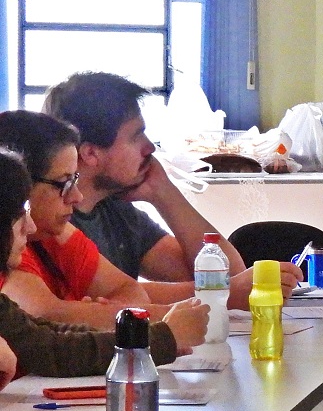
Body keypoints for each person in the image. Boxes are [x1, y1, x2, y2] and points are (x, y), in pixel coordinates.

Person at [41, 72, 299, 305]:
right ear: (90, 154)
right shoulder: (52, 221)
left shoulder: (114, 210)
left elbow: (225, 272)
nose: (149, 147)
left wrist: (164, 192)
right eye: (136, 136)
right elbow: (116, 295)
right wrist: (224, 293)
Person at [0, 111, 205, 347]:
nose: (76, 196)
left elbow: (131, 291)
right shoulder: (10, 244)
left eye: (75, 180)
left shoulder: (55, 233)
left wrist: (95, 314)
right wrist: (170, 326)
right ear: (19, 185)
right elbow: (45, 319)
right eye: (64, 184)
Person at [0, 150, 186, 376]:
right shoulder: (22, 255)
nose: (29, 227)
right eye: (19, 213)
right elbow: (52, 349)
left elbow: (48, 333)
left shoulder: (62, 235)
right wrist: (165, 335)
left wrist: (161, 333)